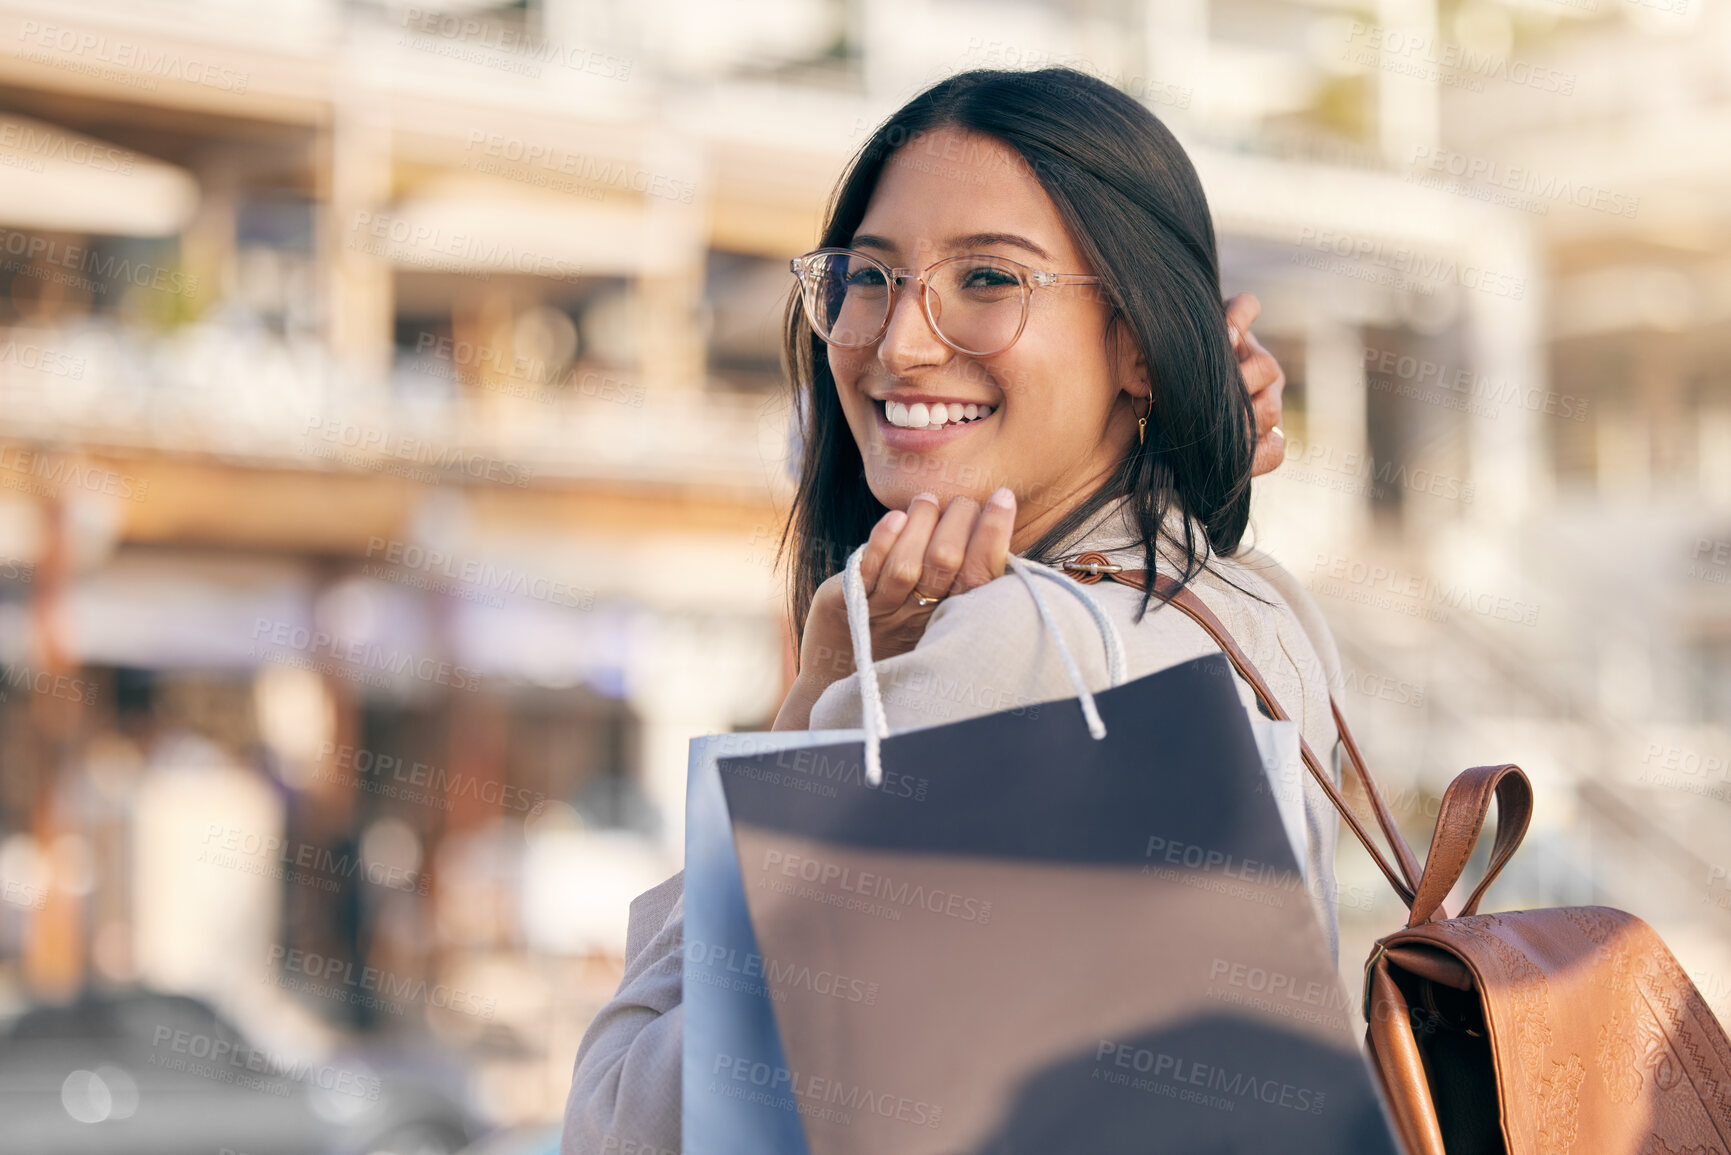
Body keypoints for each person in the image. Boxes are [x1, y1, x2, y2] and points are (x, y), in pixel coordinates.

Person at [562, 67, 1347, 1155]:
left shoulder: (1009, 651)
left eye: (987, 278)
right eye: (870, 277)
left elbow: (633, 1125)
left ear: (1142, 340)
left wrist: (808, 714)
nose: (900, 344)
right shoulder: (1259, 609)